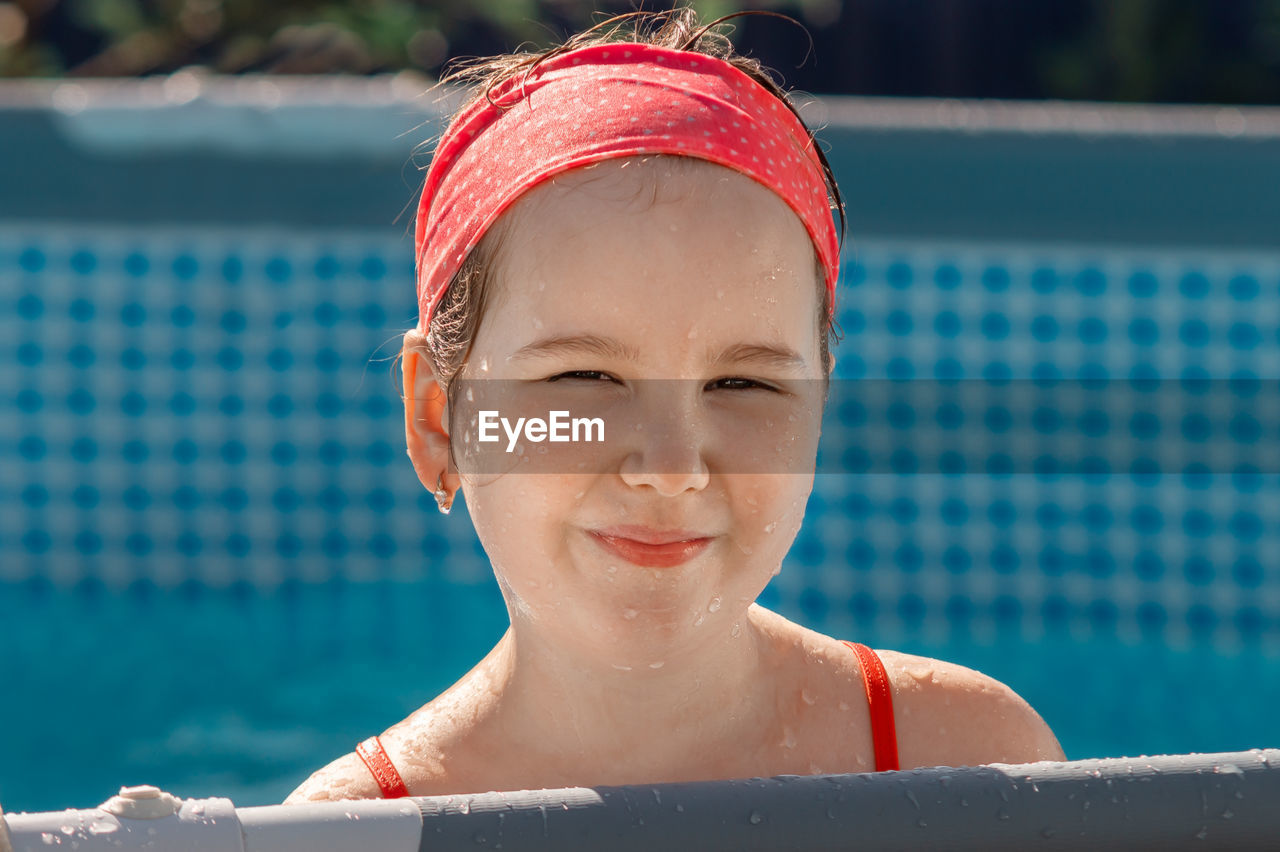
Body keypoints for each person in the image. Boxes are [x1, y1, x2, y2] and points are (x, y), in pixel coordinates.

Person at [284, 6, 1065, 804]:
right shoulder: (355, 829)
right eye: (582, 379)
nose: (670, 467)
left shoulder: (968, 760)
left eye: (743, 385)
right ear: (437, 417)